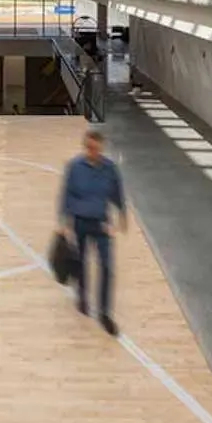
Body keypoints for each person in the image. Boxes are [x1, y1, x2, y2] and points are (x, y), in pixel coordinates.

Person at [58, 128, 127, 337]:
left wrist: (122, 216)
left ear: (101, 148)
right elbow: (66, 194)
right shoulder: (74, 167)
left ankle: (105, 312)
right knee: (80, 264)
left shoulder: (110, 168)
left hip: (101, 224)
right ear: (84, 147)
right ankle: (82, 297)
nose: (92, 152)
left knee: (106, 266)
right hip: (80, 222)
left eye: (95, 149)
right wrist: (63, 222)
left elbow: (117, 193)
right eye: (88, 148)